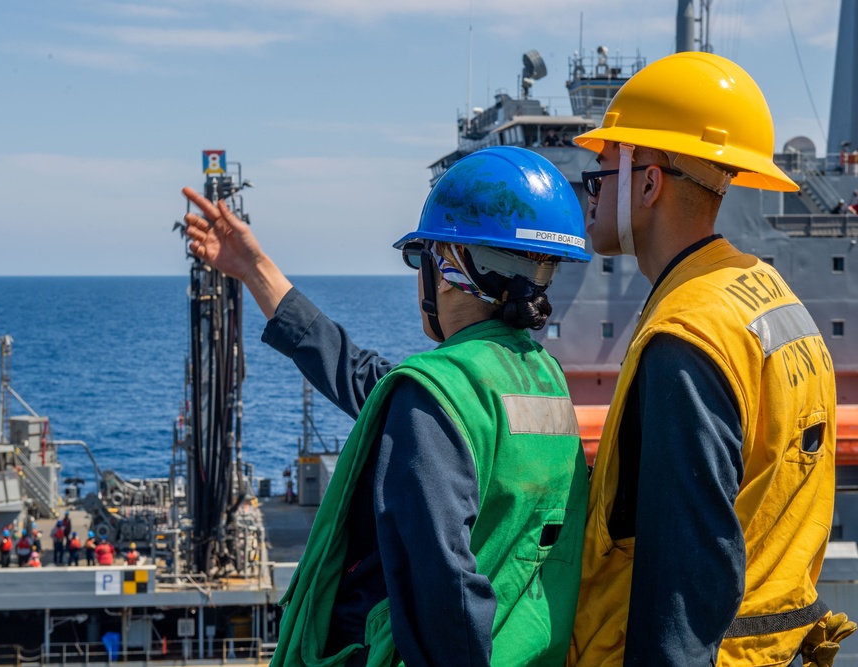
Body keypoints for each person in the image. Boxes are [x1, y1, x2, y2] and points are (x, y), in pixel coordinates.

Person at [182, 145, 591, 667]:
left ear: (446, 266)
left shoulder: (434, 396)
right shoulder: (538, 378)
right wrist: (254, 268)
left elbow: (443, 588)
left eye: (420, 258)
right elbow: (367, 380)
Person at [566, 51, 852, 667]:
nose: (590, 195)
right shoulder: (771, 297)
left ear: (649, 182)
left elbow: (681, 595)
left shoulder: (686, 337)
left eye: (600, 176)